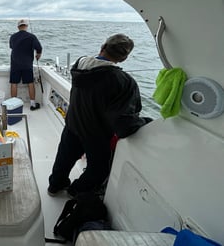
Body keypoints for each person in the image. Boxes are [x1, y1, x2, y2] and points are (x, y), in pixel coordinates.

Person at [48, 34, 152, 197]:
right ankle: (76, 190)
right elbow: (124, 124)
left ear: (103, 47)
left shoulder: (79, 64)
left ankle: (55, 185)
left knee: (64, 158)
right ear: (124, 58)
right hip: (96, 134)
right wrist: (145, 122)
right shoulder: (123, 81)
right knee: (99, 169)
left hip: (73, 124)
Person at [9, 18, 43, 110]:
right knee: (30, 83)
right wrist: (38, 55)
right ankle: (32, 104)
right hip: (27, 64)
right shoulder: (32, 36)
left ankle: (13, 105)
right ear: (26, 26)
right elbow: (39, 48)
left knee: (14, 83)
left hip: (15, 63)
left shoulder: (12, 37)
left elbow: (12, 47)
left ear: (18, 27)